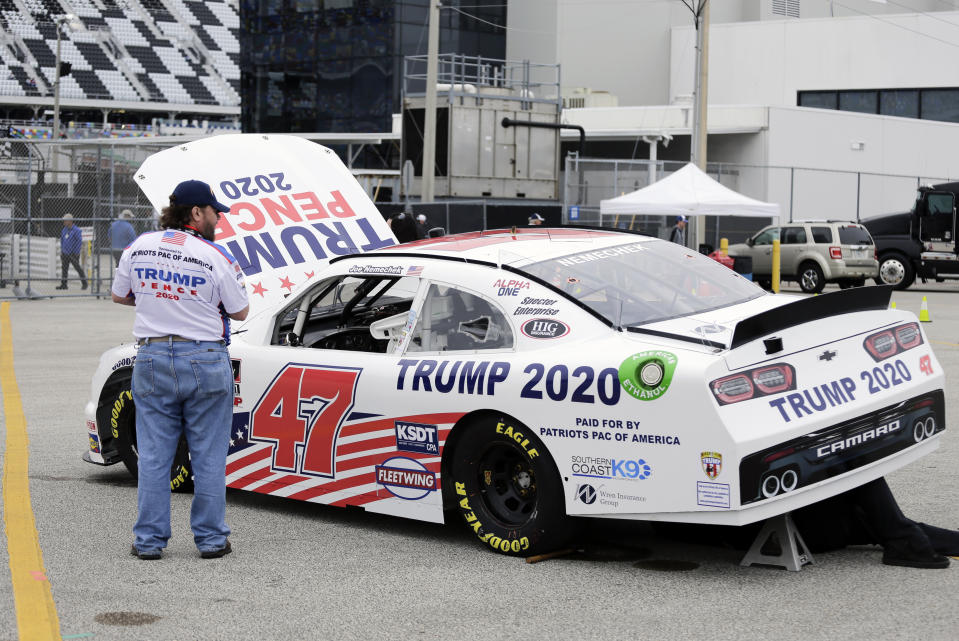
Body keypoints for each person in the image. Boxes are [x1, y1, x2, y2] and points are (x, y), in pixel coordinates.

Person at [112, 179, 249, 561]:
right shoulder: (215, 256)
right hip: (205, 359)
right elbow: (240, 311)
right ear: (195, 213)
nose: (218, 219)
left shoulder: (138, 246)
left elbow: (120, 294)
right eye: (214, 212)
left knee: (155, 456)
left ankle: (149, 541)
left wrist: (161, 297)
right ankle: (210, 540)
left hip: (153, 357)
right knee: (207, 454)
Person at [57, 213, 87, 290]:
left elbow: (79, 242)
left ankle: (84, 283)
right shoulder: (64, 230)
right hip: (65, 253)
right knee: (64, 269)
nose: (64, 222)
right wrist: (62, 250)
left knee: (78, 268)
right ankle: (64, 284)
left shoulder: (76, 230)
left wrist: (76, 252)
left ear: (70, 221)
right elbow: (62, 240)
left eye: (65, 221)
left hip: (73, 254)